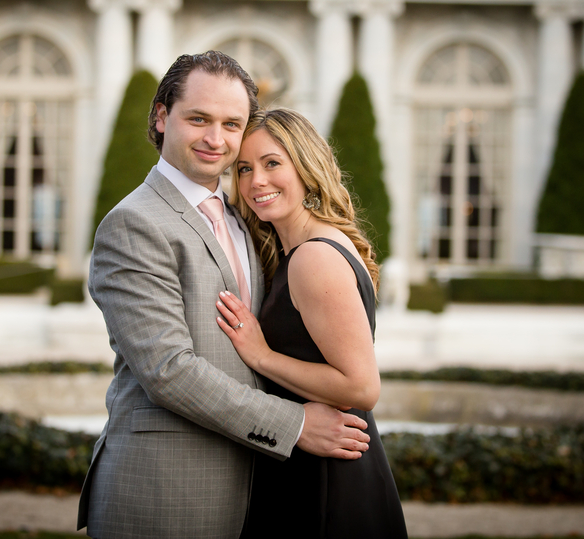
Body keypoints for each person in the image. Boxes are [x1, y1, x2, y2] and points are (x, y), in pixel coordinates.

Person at [76, 52, 372, 539]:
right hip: (167, 491)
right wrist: (294, 423)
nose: (216, 139)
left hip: (260, 486)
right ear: (160, 116)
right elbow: (167, 371)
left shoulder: (242, 219)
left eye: (232, 124)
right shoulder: (133, 224)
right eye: (199, 119)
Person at [215, 107, 408, 538]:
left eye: (272, 163)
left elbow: (362, 387)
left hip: (326, 476)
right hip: (314, 459)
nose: (255, 181)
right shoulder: (299, 249)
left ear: (305, 166)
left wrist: (261, 356)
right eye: (244, 168)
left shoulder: (313, 257)